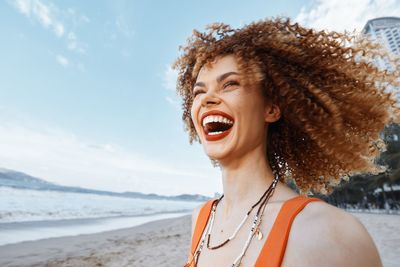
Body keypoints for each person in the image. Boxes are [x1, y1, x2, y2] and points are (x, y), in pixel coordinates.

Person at [172, 17, 400, 267]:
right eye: (198, 92)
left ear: (271, 109)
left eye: (230, 84)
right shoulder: (200, 219)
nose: (207, 99)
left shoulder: (333, 233)